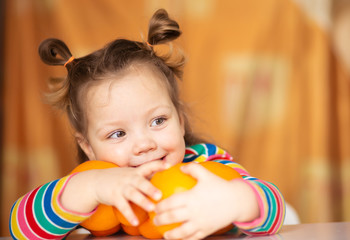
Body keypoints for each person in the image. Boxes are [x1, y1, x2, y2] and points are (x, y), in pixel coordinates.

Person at [9, 9, 285, 240]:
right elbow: (19, 228)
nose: (144, 145)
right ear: (88, 147)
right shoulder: (94, 188)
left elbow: (275, 208)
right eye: (117, 133)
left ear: (180, 120)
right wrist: (89, 188)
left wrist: (236, 201)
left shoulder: (203, 166)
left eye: (158, 120)